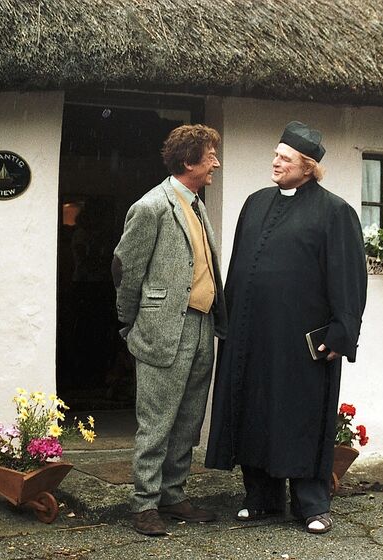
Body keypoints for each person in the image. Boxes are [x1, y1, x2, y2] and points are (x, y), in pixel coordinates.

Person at [205, 121, 367, 534]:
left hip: (302, 341)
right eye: (276, 154)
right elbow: (239, 267)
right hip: (253, 335)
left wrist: (340, 332)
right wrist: (229, 321)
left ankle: (312, 504)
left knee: (301, 416)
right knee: (256, 410)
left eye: (285, 157)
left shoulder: (335, 211)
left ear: (308, 166)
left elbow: (349, 278)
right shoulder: (255, 203)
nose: (275, 161)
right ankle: (261, 498)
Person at [112, 124, 227, 536]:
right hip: (163, 328)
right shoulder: (151, 206)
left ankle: (174, 496)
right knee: (156, 421)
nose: (215, 161)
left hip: (201, 326)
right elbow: (126, 270)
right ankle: (144, 505)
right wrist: (129, 324)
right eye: (209, 154)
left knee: (189, 419)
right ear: (187, 161)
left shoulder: (197, 204)